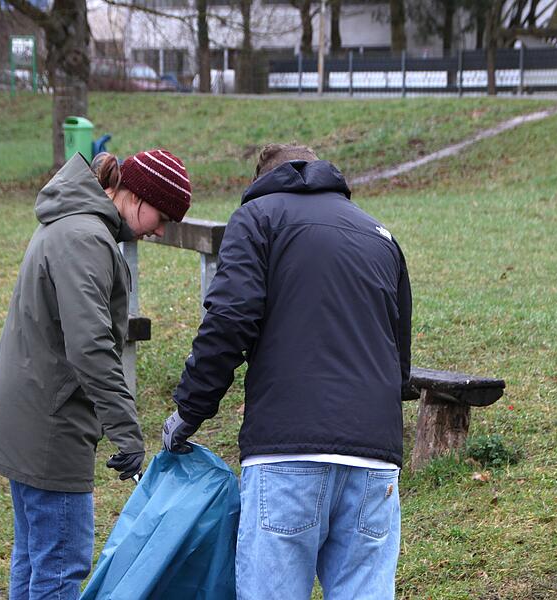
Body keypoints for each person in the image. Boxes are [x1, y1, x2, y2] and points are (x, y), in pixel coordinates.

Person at [162, 143, 411, 599]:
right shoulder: (380, 235)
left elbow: (229, 320)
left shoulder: (257, 219)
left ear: (263, 181)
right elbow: (399, 354)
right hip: (375, 459)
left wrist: (189, 411)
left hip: (286, 452)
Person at [0, 149, 192, 600]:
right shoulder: (86, 238)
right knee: (59, 566)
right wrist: (126, 431)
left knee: (35, 558)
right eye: (163, 216)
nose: (160, 230)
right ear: (136, 196)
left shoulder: (74, 223)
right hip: (50, 427)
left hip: (33, 415)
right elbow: (90, 346)